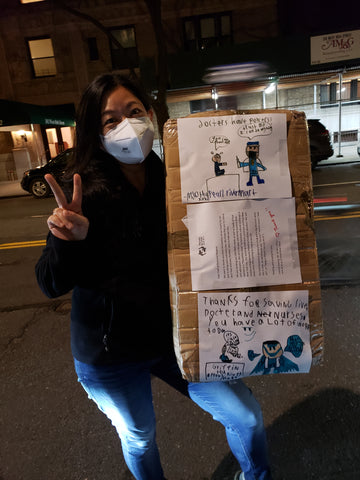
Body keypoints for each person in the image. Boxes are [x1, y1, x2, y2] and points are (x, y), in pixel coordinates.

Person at [35, 73, 272, 480]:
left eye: (134, 111)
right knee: (140, 438)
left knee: (246, 415)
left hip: (174, 338)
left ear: (150, 113)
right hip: (110, 353)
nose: (127, 125)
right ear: (96, 132)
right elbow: (49, 282)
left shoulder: (175, 177)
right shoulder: (83, 194)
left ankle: (257, 475)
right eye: (110, 120)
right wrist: (68, 240)